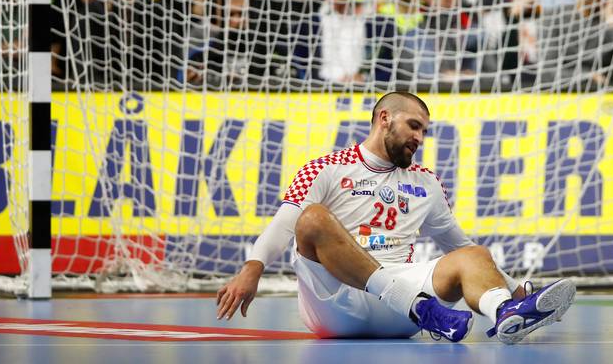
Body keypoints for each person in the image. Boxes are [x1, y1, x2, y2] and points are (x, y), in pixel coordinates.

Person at [215, 92, 576, 343]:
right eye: (414, 126)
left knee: (474, 254)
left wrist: (514, 291)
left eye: (424, 131)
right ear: (384, 118)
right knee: (311, 218)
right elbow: (283, 225)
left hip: (402, 313)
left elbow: (463, 250)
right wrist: (251, 270)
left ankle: (506, 314)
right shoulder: (325, 168)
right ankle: (417, 305)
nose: (420, 137)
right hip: (336, 303)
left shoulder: (426, 182)